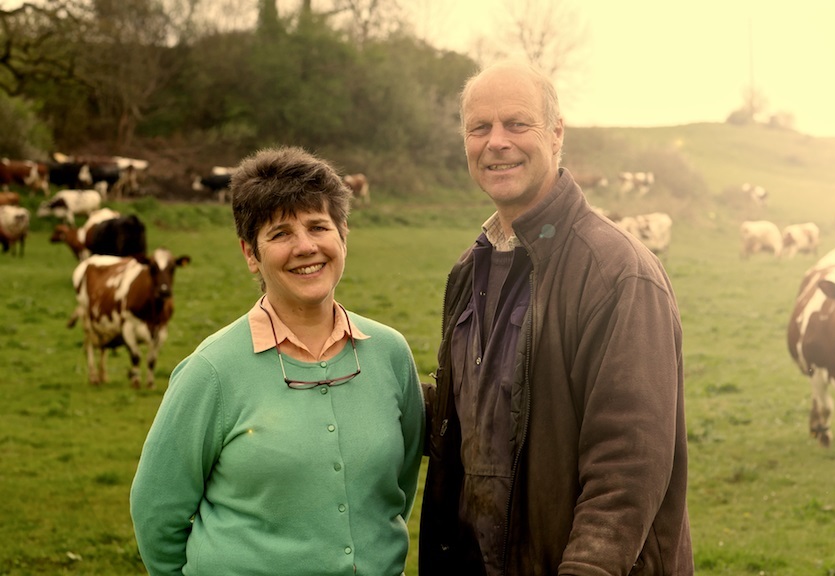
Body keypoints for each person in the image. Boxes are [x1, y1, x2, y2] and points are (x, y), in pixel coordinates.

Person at [419, 60, 694, 575]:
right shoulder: (470, 267)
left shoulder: (617, 272)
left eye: (517, 124)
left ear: (557, 132)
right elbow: (471, 413)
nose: (496, 141)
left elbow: (627, 467)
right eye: (479, 128)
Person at [130, 146, 424, 576]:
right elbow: (156, 511)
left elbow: (396, 491)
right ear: (251, 253)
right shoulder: (211, 372)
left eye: (318, 226)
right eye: (280, 233)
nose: (305, 247)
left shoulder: (390, 353)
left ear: (343, 234)